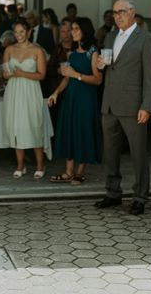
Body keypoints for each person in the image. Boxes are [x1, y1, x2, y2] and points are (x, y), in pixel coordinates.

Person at [95, 0, 151, 216]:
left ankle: (140, 197)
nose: (117, 16)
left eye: (121, 11)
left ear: (132, 13)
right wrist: (102, 65)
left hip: (133, 105)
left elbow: (150, 77)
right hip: (110, 103)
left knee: (138, 153)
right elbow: (111, 66)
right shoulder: (110, 36)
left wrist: (146, 106)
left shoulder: (146, 38)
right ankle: (113, 192)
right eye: (115, 12)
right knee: (110, 152)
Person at [48, 18, 102, 185]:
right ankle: (68, 171)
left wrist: (76, 75)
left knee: (83, 131)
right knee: (70, 132)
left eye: (76, 29)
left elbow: (98, 79)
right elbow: (67, 78)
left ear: (85, 30)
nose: (73, 32)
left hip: (86, 99)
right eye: (72, 29)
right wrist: (56, 92)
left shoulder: (93, 52)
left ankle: (80, 172)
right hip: (71, 98)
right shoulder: (72, 52)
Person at [2, 19, 47, 179]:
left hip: (31, 91)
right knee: (16, 126)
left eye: (22, 32)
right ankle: (21, 165)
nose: (19, 35)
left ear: (28, 32)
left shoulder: (37, 50)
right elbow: (4, 73)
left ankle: (40, 165)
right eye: (16, 32)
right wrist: (7, 74)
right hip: (13, 91)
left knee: (34, 125)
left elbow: (42, 75)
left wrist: (22, 74)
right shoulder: (9, 49)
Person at [45, 19, 75, 128]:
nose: (66, 34)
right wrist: (58, 70)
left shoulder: (78, 48)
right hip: (57, 89)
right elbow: (49, 69)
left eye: (68, 31)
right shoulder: (57, 49)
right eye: (63, 31)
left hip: (74, 90)